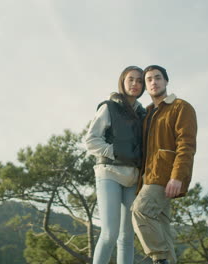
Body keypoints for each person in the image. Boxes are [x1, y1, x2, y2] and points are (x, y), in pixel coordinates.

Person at [131, 65, 197, 264]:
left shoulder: (181, 107)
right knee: (162, 227)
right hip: (147, 177)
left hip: (165, 176)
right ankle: (167, 259)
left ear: (166, 81)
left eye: (157, 78)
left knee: (140, 210)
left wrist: (177, 176)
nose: (153, 82)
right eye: (149, 79)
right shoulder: (147, 113)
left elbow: (186, 144)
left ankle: (159, 259)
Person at [85, 66, 146, 264]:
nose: (135, 84)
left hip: (133, 178)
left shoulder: (144, 114)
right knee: (110, 233)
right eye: (131, 79)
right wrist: (114, 152)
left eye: (139, 80)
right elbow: (91, 140)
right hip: (109, 173)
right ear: (123, 81)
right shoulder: (109, 107)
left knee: (127, 237)